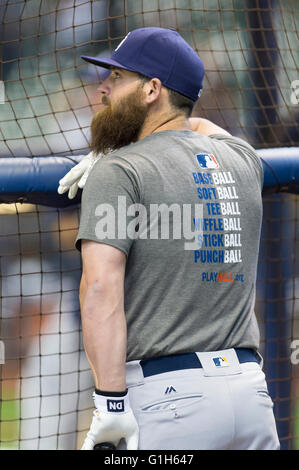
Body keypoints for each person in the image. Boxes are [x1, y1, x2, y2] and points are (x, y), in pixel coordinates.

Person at [59, 27, 280, 450]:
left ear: (152, 89)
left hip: (169, 401)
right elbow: (197, 123)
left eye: (118, 78)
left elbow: (101, 288)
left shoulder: (120, 170)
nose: (104, 88)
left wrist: (109, 402)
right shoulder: (242, 158)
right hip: (252, 397)